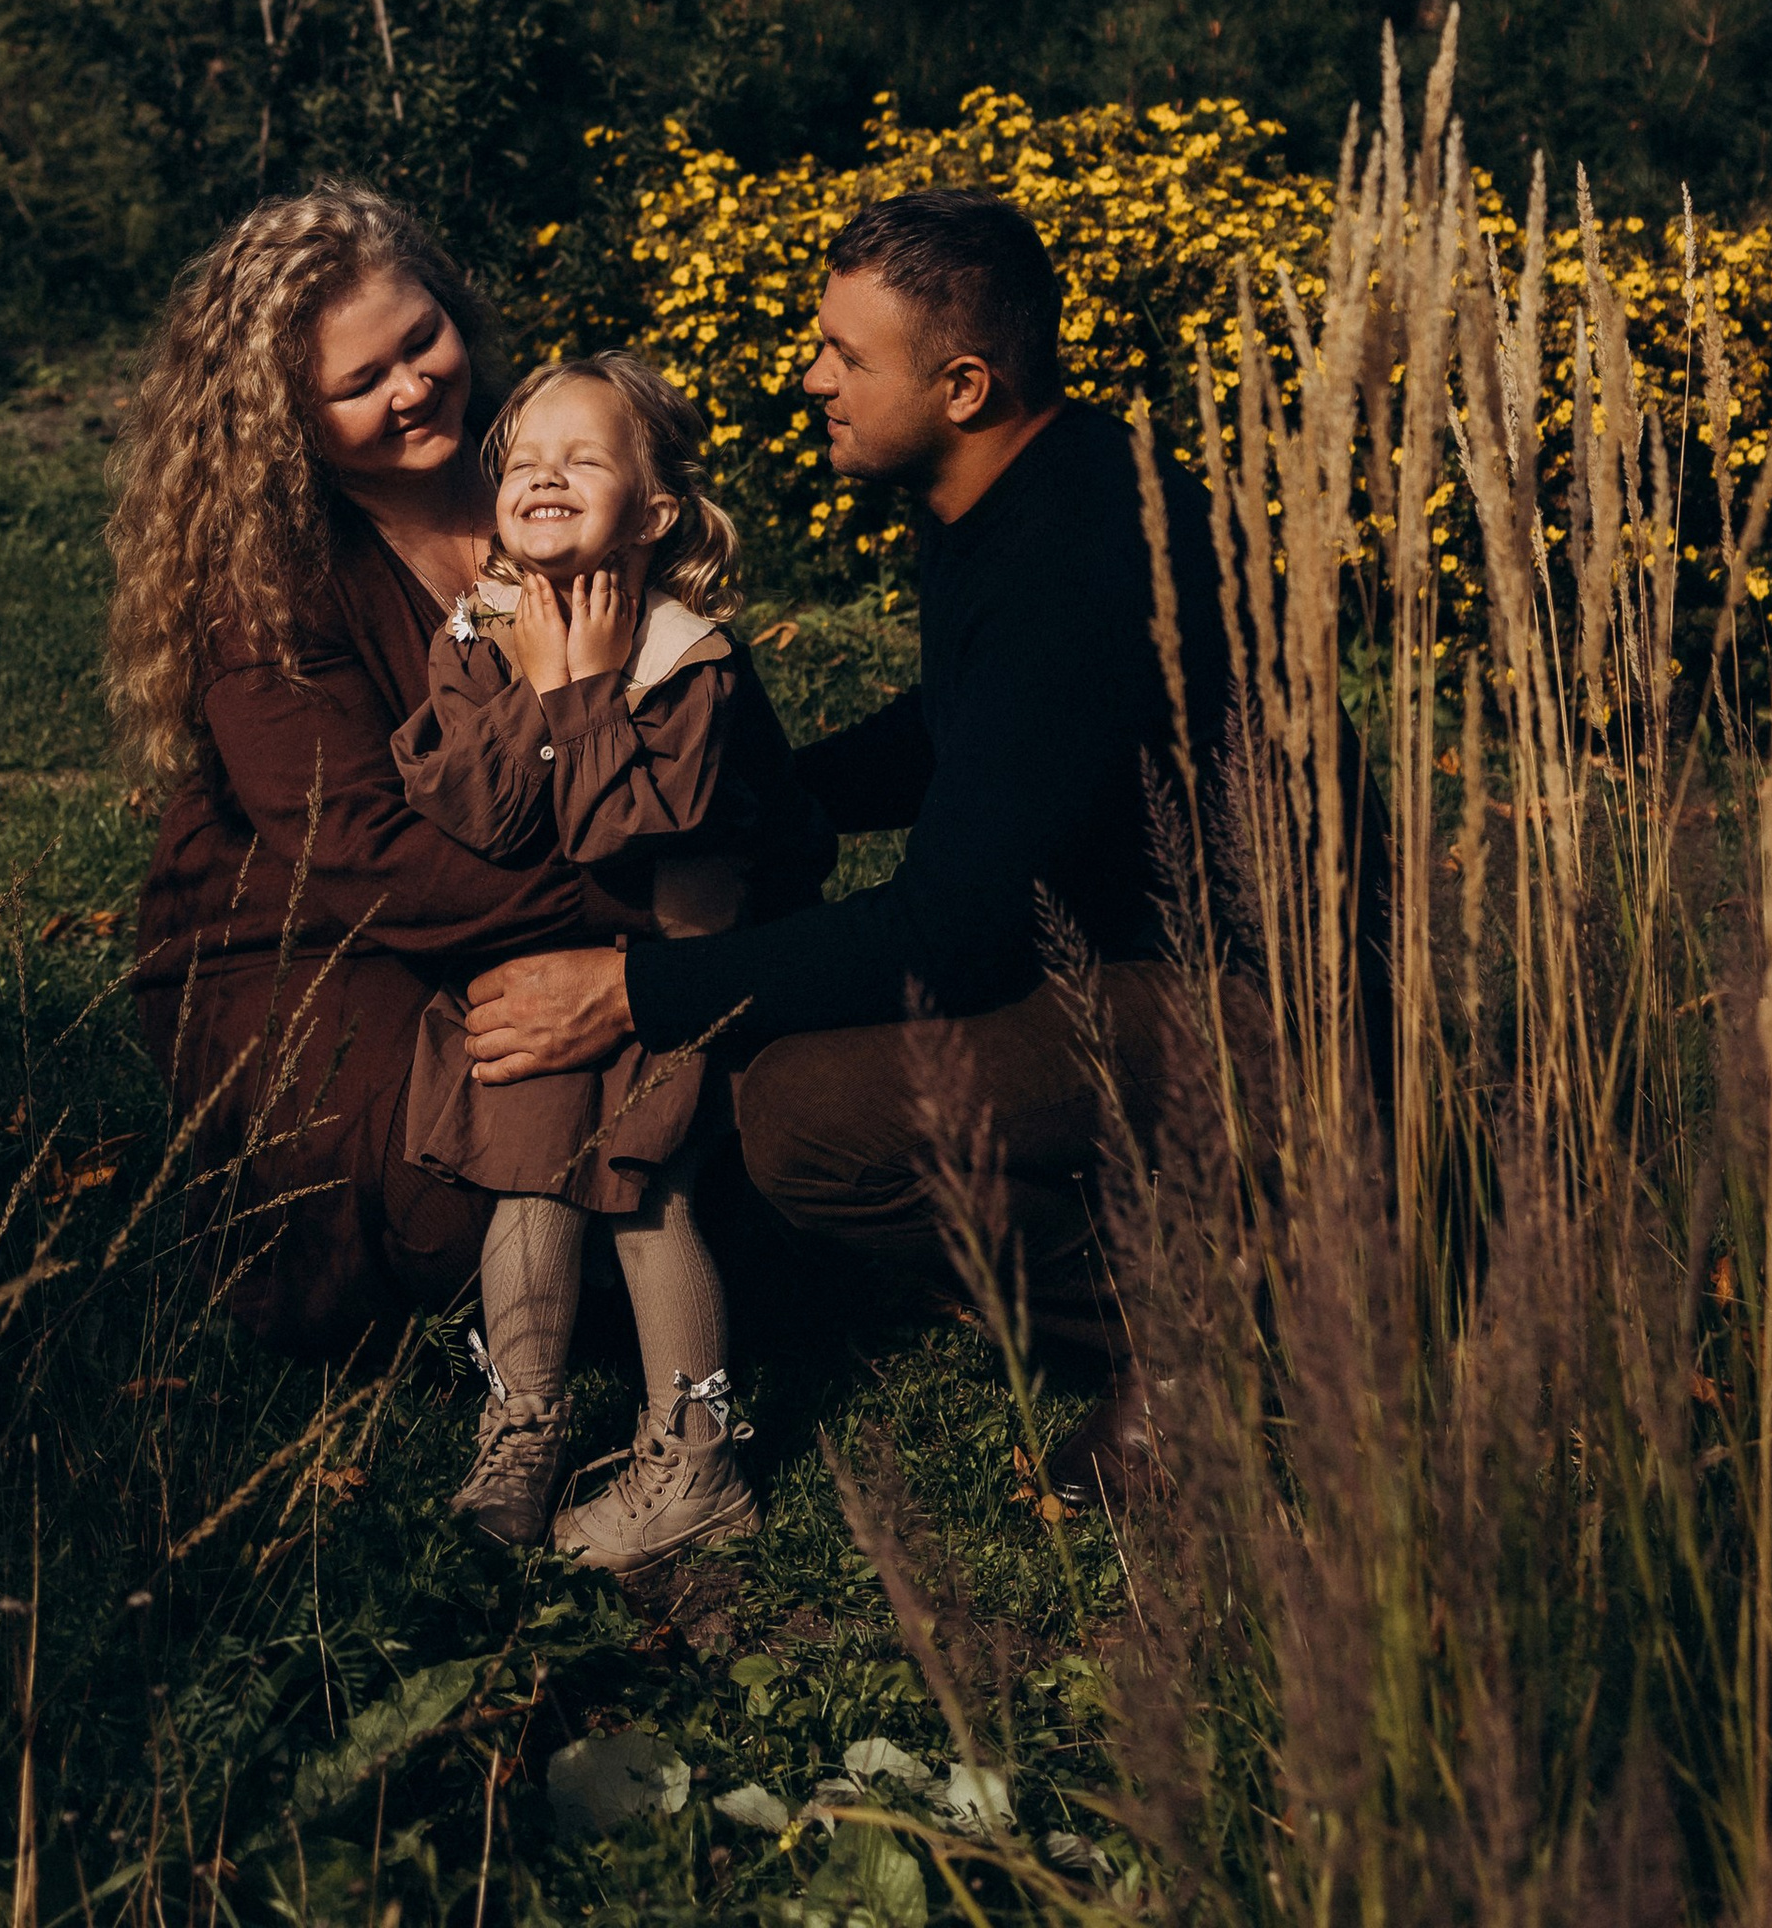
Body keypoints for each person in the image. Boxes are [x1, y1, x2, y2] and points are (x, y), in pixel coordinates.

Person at [461, 186, 1387, 1490]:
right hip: (1150, 948)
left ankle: (1219, 1331)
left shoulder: (1078, 560)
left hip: (1268, 1003)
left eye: (847, 356)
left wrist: (631, 992)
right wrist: (777, 793)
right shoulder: (1022, 481)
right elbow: (969, 721)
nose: (814, 378)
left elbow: (952, 933)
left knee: (801, 1114)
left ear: (961, 383)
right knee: (787, 1030)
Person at [114, 185, 660, 1359]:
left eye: (422, 342)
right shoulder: (267, 582)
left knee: (703, 1092)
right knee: (457, 1197)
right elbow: (363, 854)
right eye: (361, 385)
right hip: (306, 939)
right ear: (285, 423)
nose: (414, 388)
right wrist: (637, 932)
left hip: (562, 883)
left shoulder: (556, 454)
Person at [395, 353, 813, 1567]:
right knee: (525, 1179)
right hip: (549, 973)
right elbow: (478, 811)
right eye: (524, 461)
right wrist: (537, 689)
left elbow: (623, 828)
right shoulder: (478, 635)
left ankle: (702, 1456)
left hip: (666, 974)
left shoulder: (688, 660)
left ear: (657, 508)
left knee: (646, 1197)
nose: (544, 477)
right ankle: (521, 1420)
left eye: (582, 460)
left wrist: (579, 696)